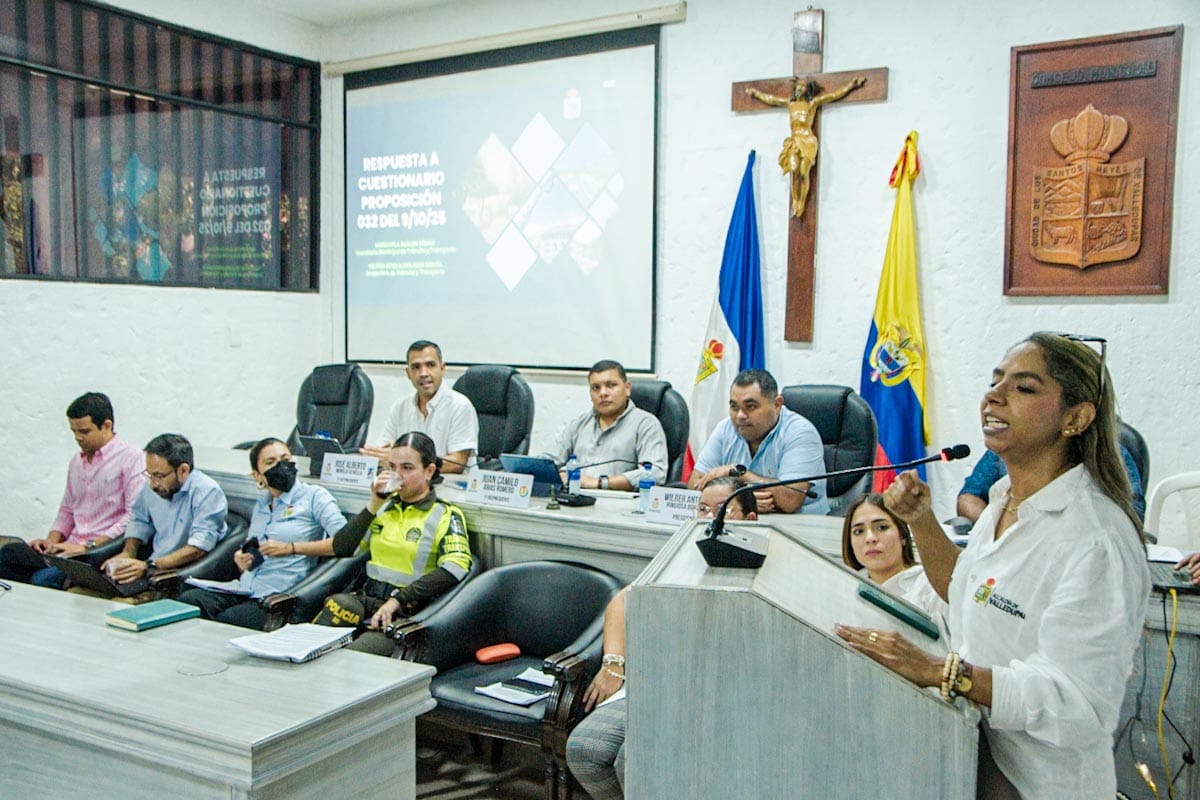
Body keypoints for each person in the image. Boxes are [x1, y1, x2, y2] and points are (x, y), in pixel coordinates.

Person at [835, 332, 1149, 799]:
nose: (994, 397)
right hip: (974, 757)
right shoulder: (1003, 501)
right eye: (995, 380)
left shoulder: (1096, 540)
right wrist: (921, 520)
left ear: (1076, 418)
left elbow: (1076, 702)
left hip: (1040, 784)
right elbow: (964, 592)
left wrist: (942, 672)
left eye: (1023, 387)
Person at [565, 480, 756, 800]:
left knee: (633, 760)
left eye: (722, 510)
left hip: (717, 693)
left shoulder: (762, 563)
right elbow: (622, 602)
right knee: (584, 750)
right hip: (662, 681)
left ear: (751, 519)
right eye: (702, 509)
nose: (710, 518)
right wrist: (613, 664)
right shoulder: (687, 550)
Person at [315, 431, 473, 655]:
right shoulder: (383, 508)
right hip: (366, 600)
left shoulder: (446, 514)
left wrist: (399, 599)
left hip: (405, 611)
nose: (397, 476)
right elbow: (342, 548)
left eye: (407, 468)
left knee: (348, 659)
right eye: (392, 467)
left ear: (429, 471)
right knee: (317, 640)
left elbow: (455, 568)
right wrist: (373, 504)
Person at [177, 438, 346, 629]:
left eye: (285, 459)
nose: (281, 466)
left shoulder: (315, 496)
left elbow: (346, 542)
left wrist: (291, 548)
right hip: (246, 588)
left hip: (278, 596)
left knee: (228, 620)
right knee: (190, 601)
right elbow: (256, 552)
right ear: (257, 476)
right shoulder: (262, 505)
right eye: (270, 462)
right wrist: (243, 560)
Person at [0, 392, 145, 588]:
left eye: (84, 431)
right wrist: (50, 542)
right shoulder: (77, 462)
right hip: (67, 548)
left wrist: (87, 546)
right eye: (74, 431)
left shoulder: (131, 458)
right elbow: (67, 510)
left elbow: (133, 516)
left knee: (41, 579)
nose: (78, 438)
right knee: (7, 554)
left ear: (106, 426)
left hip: (97, 552)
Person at [690, 369, 828, 514]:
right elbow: (694, 485)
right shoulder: (725, 429)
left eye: (751, 406)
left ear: (777, 405)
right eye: (734, 407)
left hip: (799, 523)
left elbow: (791, 500)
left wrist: (737, 472)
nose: (740, 416)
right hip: (742, 520)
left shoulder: (800, 432)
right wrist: (743, 500)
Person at [104, 433, 230, 586]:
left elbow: (198, 548)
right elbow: (139, 520)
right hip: (152, 568)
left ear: (183, 470)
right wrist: (129, 553)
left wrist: (149, 566)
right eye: (150, 475)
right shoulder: (152, 487)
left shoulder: (207, 492)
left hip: (182, 574)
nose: (153, 484)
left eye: (159, 476)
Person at [745, 75, 866, 218]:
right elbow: (772, 99)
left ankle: (801, 201)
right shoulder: (790, 103)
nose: (800, 88)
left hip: (807, 141)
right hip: (794, 141)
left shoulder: (812, 103)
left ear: (807, 90)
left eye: (803, 86)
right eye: (798, 86)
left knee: (803, 171)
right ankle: (795, 200)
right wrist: (756, 94)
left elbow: (834, 95)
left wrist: (851, 85)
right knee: (794, 169)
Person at [539, 360, 668, 490]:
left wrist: (600, 483)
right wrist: (553, 473)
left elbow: (656, 473)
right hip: (575, 499)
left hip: (617, 501)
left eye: (611, 385)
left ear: (627, 388)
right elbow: (547, 461)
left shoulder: (646, 424)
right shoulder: (579, 424)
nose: (603, 393)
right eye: (596, 388)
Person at [360, 340, 477, 474]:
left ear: (442, 368)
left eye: (430, 365)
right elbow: (383, 452)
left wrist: (404, 461)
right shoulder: (400, 407)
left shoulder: (460, 406)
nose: (423, 373)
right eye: (416, 367)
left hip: (451, 484)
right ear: (408, 373)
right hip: (408, 484)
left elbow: (457, 464)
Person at [957, 445, 1145, 523]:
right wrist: (1001, 528)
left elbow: (1131, 517)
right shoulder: (1004, 448)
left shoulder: (1111, 456)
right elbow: (968, 497)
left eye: (1025, 390)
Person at [841, 493, 946, 619]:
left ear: (902, 536)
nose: (870, 538)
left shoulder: (931, 586)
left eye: (881, 527)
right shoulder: (845, 587)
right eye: (859, 531)